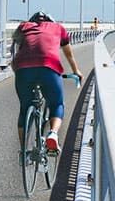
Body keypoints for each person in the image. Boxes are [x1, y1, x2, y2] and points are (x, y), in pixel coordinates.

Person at [12, 10, 82, 153]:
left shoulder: (24, 26)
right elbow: (69, 54)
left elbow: (18, 46)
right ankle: (53, 134)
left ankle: (23, 151)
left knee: (25, 108)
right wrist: (76, 71)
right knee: (56, 104)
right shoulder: (58, 28)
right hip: (49, 66)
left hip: (22, 68)